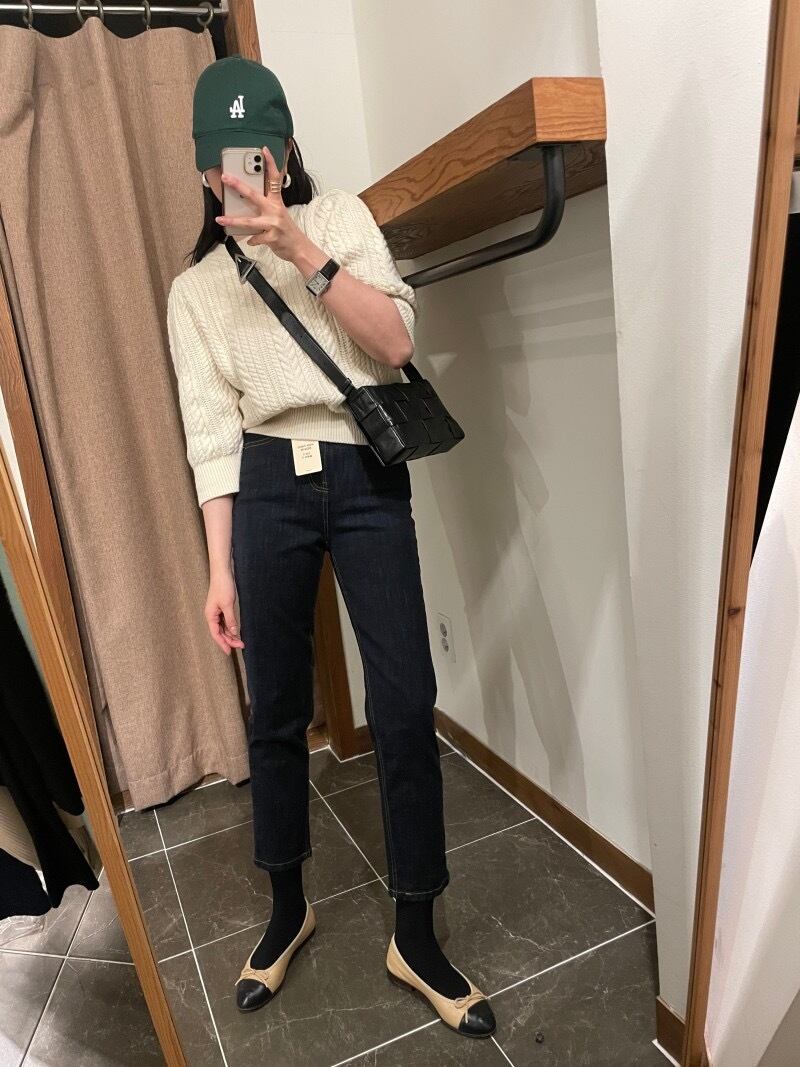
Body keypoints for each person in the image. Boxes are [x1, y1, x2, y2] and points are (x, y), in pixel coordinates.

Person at [166, 55, 495, 1040]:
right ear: (203, 168)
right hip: (264, 479)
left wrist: (298, 245)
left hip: (362, 469)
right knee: (275, 705)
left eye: (255, 155)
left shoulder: (342, 220)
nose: (239, 175)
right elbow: (210, 435)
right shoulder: (193, 291)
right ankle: (285, 906)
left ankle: (414, 932)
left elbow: (393, 345)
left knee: (402, 695)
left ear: (283, 150)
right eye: (221, 161)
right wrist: (218, 567)